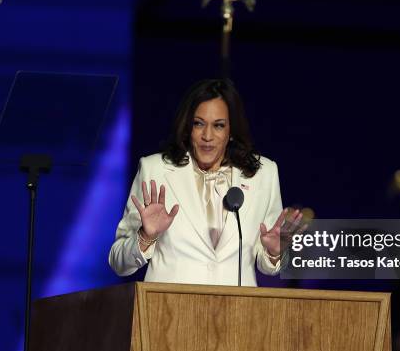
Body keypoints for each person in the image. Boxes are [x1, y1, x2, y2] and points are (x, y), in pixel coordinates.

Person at [108, 78, 301, 286]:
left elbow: (267, 264)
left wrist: (273, 252)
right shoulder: (154, 170)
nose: (207, 136)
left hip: (238, 313)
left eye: (218, 126)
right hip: (167, 313)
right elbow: (118, 262)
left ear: (231, 131)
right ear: (187, 127)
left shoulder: (263, 174)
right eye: (199, 124)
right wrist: (145, 237)